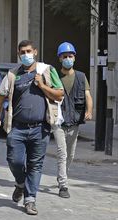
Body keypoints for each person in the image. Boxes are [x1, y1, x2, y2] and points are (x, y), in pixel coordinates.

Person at [0, 40, 64, 215]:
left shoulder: (47, 71)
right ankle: (20, 182)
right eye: (22, 52)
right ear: (18, 55)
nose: (26, 55)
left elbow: (60, 94)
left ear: (35, 52)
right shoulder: (12, 75)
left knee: (35, 164)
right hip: (17, 128)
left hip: (41, 128)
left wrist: (42, 85)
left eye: (28, 51)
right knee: (14, 160)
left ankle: (30, 199)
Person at [53, 42, 93, 198]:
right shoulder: (55, 76)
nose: (68, 59)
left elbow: (88, 96)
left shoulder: (81, 77)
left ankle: (62, 176)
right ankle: (63, 185)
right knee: (62, 153)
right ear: (60, 59)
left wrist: (89, 111)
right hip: (58, 121)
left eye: (70, 56)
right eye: (65, 56)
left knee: (70, 155)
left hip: (75, 120)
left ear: (74, 58)